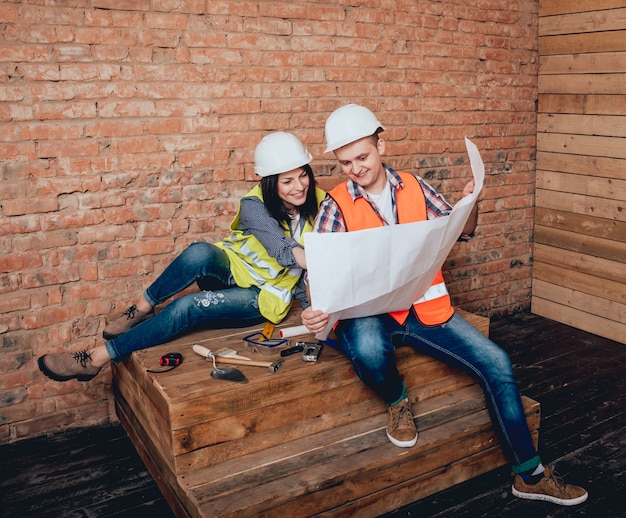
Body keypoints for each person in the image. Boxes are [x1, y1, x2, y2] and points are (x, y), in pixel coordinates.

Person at [301, 104, 588, 506]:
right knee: (366, 349)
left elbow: (461, 232)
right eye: (345, 162)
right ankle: (398, 400)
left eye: (362, 157)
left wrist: (470, 205)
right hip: (368, 314)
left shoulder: (416, 187)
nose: (355, 169)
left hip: (424, 310)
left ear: (381, 144)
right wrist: (317, 311)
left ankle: (530, 475)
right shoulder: (334, 205)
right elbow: (324, 274)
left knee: (498, 363)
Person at [39, 131, 326, 383]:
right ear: (269, 182)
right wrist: (325, 257)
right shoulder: (254, 203)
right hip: (232, 270)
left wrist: (313, 306)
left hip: (259, 295)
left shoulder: (323, 204)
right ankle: (141, 308)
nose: (299, 186)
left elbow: (308, 275)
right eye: (287, 181)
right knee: (199, 251)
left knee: (186, 307)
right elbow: (279, 247)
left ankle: (94, 359)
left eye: (303, 175)